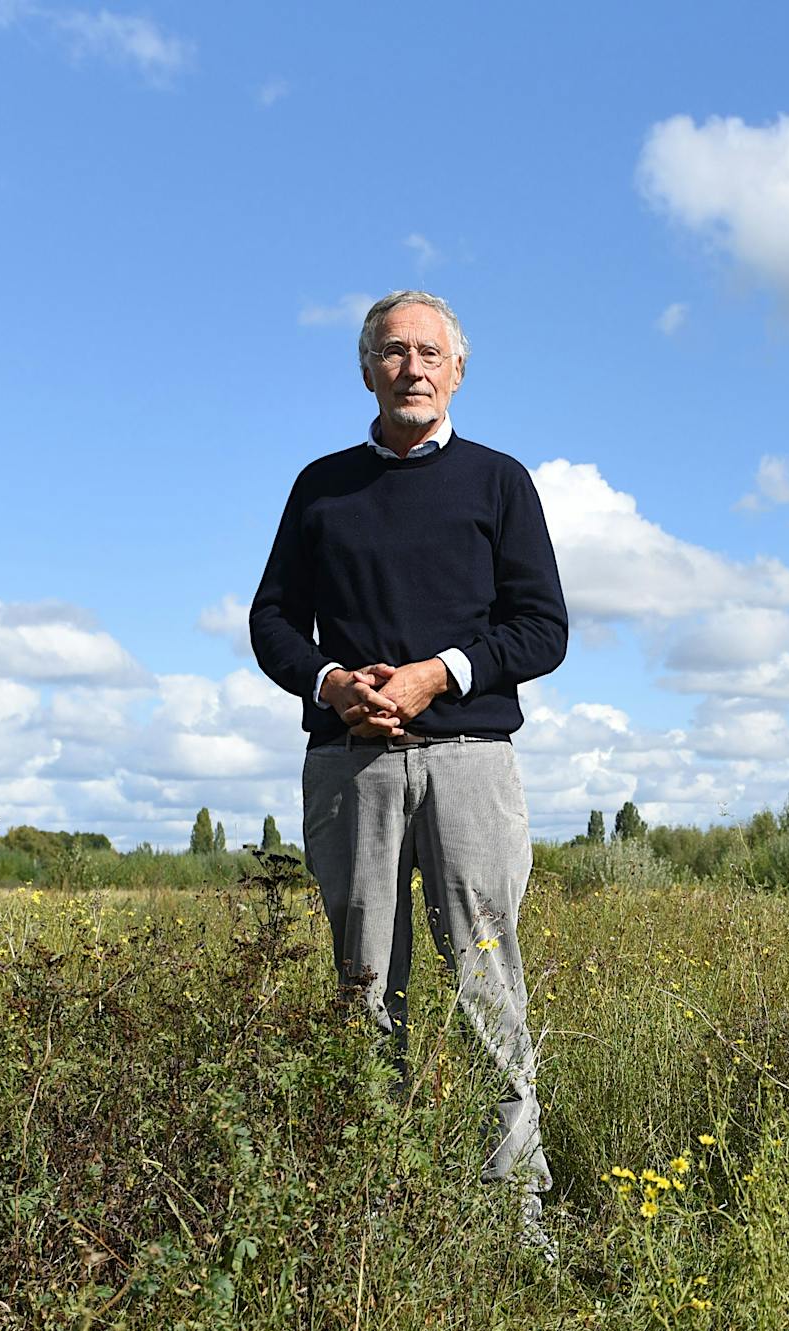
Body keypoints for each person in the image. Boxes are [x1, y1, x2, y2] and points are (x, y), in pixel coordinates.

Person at [249, 289, 568, 1244]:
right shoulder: (321, 487)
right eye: (394, 352)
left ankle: (517, 1218)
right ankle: (372, 1215)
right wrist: (334, 682)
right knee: (362, 986)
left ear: (459, 369)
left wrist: (441, 674)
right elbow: (271, 623)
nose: (413, 367)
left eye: (430, 352)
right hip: (354, 768)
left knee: (486, 985)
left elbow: (541, 628)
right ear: (366, 370)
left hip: (470, 762)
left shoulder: (499, 482)